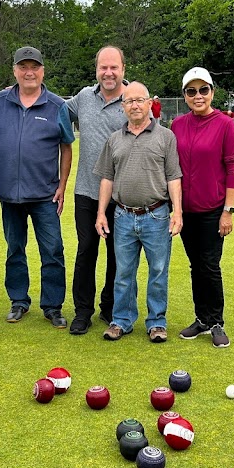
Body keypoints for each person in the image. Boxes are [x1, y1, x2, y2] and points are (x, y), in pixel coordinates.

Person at [0, 46, 74, 329]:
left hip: (45, 194)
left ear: (42, 71)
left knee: (53, 251)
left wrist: (62, 185)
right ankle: (18, 301)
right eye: (23, 67)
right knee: (15, 249)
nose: (29, 72)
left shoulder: (57, 105)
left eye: (34, 67)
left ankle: (52, 306)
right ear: (14, 71)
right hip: (9, 194)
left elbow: (66, 146)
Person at [94, 81, 183, 343]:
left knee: (158, 271)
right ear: (122, 107)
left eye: (139, 100)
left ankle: (157, 322)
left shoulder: (165, 137)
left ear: (149, 104)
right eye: (129, 101)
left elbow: (173, 177)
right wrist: (101, 213)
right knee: (123, 273)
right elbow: (107, 179)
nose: (134, 105)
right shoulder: (114, 140)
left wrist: (177, 212)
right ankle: (121, 320)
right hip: (122, 216)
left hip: (156, 215)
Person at [170, 67, 234, 348]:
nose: (198, 96)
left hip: (213, 210)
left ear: (212, 92)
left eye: (203, 90)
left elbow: (233, 168)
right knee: (195, 266)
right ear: (185, 95)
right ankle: (201, 318)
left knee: (210, 266)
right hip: (186, 210)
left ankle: (216, 322)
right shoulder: (178, 124)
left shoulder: (225, 125)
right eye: (191, 91)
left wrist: (228, 210)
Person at [65, 46, 130, 335]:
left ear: (123, 69)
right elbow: (53, 109)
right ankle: (83, 312)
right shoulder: (83, 98)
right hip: (87, 192)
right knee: (86, 251)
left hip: (123, 195)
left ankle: (110, 307)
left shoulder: (133, 99)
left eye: (113, 67)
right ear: (97, 70)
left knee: (118, 254)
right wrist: (19, 94)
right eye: (103, 67)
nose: (108, 72)